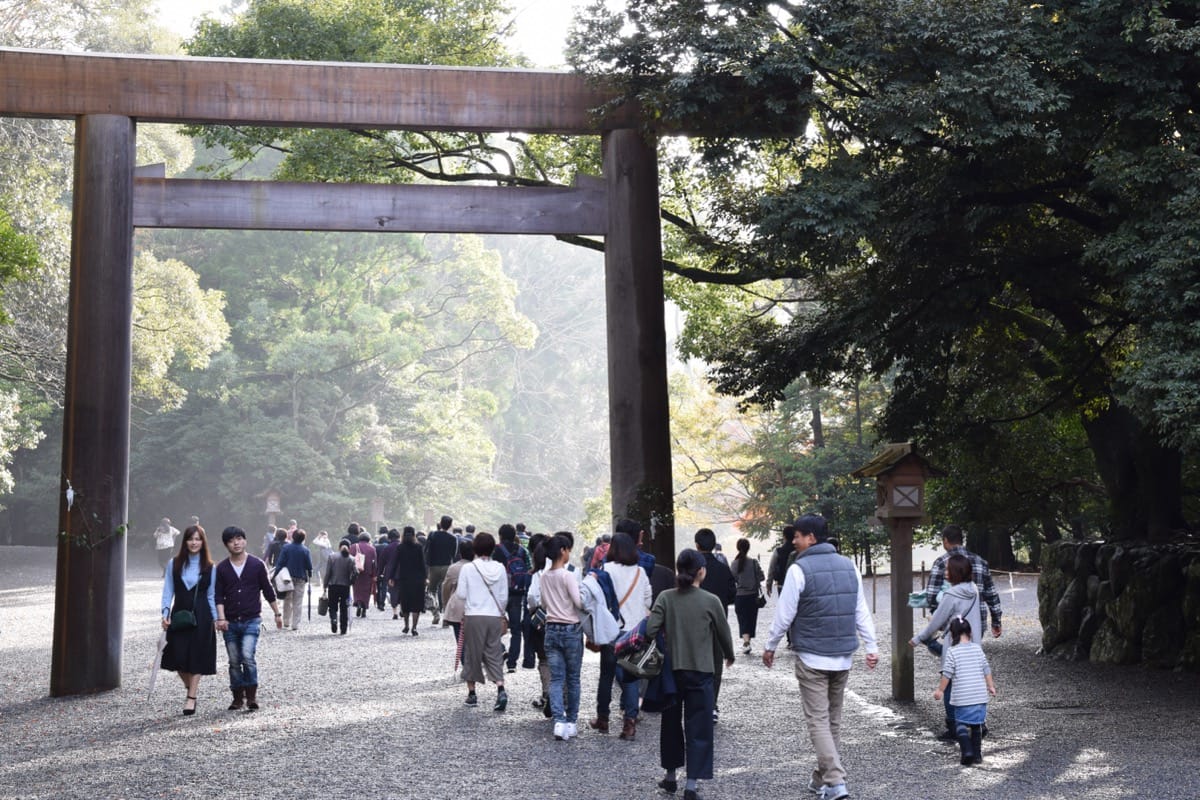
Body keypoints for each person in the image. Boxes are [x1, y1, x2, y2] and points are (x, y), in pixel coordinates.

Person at [762, 514, 879, 800]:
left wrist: (770, 645)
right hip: (843, 656)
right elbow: (859, 609)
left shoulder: (798, 570)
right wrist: (871, 645)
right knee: (832, 721)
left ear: (811, 538)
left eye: (798, 536)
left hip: (813, 657)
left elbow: (785, 614)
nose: (794, 541)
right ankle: (821, 778)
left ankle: (836, 782)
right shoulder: (849, 565)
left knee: (817, 720)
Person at [647, 549, 735, 800]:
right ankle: (692, 784)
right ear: (701, 572)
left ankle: (671, 776)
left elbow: (651, 629)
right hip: (702, 672)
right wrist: (729, 655)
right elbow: (723, 634)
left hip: (671, 672)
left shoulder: (665, 597)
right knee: (699, 726)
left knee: (671, 724)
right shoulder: (711, 601)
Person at [911, 554, 983, 740]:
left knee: (949, 683)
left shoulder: (951, 594)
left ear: (956, 572)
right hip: (973, 644)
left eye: (948, 568)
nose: (945, 572)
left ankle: (953, 726)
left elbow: (936, 621)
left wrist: (918, 638)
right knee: (972, 683)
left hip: (955, 645)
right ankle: (978, 723)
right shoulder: (973, 589)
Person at [590, 531, 652, 740]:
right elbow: (648, 601)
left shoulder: (604, 569)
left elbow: (596, 600)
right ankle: (629, 724)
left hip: (611, 631)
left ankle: (603, 719)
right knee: (631, 678)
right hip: (634, 632)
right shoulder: (640, 572)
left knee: (607, 675)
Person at [214, 526, 282, 712]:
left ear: (245, 540)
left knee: (247, 656)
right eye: (231, 540)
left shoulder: (257, 564)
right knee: (234, 660)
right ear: (226, 544)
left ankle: (251, 696)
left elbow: (268, 590)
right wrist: (220, 619)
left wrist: (277, 613)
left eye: (239, 538)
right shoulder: (221, 568)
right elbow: (218, 595)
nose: (236, 543)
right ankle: (237, 697)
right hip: (230, 620)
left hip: (252, 619)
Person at [159, 524, 217, 716]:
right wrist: (165, 613)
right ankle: (189, 687)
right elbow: (168, 591)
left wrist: (217, 619)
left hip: (202, 615)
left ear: (203, 542)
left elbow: (211, 595)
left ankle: (191, 697)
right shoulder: (173, 564)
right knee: (176, 655)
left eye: (198, 539)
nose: (194, 543)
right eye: (190, 539)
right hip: (179, 613)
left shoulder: (209, 567)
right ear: (184, 541)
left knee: (197, 655)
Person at [455, 531, 509, 711]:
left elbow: (461, 594)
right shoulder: (500, 568)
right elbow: (503, 596)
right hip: (494, 616)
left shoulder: (469, 568)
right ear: (492, 548)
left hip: (474, 615)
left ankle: (472, 694)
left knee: (472, 653)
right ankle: (500, 688)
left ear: (475, 548)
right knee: (493, 652)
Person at [540, 533, 586, 741]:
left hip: (551, 629)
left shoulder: (544, 576)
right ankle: (572, 722)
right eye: (568, 550)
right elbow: (579, 602)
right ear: (562, 551)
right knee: (573, 678)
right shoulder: (567, 576)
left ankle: (559, 721)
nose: (569, 553)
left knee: (557, 679)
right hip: (570, 629)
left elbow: (543, 604)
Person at [934, 616, 997, 765]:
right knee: (977, 726)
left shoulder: (952, 652)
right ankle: (977, 755)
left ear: (953, 635)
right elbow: (986, 669)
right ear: (970, 632)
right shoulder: (977, 649)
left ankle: (967, 750)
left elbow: (946, 674)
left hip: (963, 697)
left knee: (960, 724)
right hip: (980, 697)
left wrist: (940, 690)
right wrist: (991, 686)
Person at [924, 524, 1003, 639]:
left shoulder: (941, 562)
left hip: (951, 621)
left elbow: (931, 595)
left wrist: (936, 616)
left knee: (952, 653)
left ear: (945, 540)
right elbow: (992, 595)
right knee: (973, 652)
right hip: (977, 620)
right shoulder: (980, 561)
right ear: (962, 540)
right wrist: (996, 621)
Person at [695, 527, 735, 722]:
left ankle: (698, 702)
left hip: (695, 623)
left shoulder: (692, 569)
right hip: (718, 622)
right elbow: (731, 594)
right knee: (715, 665)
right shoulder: (722, 568)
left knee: (695, 663)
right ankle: (712, 704)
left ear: (697, 545)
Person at [494, 523, 532, 672]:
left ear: (501, 535)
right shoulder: (522, 551)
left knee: (493, 627)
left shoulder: (495, 551)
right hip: (517, 594)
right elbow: (528, 570)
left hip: (498, 594)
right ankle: (512, 663)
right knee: (516, 630)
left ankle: (501, 649)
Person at [271, 529, 313, 631]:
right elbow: (309, 565)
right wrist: (310, 574)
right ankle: (295, 624)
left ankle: (286, 621)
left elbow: (280, 563)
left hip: (287, 578)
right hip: (301, 578)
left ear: (293, 537)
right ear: (303, 539)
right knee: (298, 602)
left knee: (287, 599)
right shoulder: (305, 550)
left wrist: (274, 575)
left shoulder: (286, 548)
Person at [389, 526, 428, 634]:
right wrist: (425, 577)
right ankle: (414, 627)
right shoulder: (418, 547)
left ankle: (406, 626)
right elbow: (422, 564)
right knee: (416, 604)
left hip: (404, 579)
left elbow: (395, 563)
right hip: (418, 580)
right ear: (414, 535)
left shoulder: (400, 547)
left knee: (405, 603)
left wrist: (391, 577)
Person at [731, 537, 766, 655]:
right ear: (748, 548)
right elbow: (762, 577)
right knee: (751, 620)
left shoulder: (734, 563)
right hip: (753, 596)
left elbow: (732, 578)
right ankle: (747, 642)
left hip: (740, 596)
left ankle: (746, 642)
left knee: (743, 620)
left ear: (737, 548)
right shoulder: (754, 562)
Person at [425, 515, 458, 626]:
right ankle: (446, 619)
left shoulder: (432, 535)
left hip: (433, 567)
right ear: (450, 525)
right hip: (447, 567)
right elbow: (454, 554)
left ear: (440, 523)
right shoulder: (453, 538)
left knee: (431, 591)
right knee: (447, 592)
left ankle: (435, 613)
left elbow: (426, 550)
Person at [441, 540, 474, 642]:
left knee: (460, 641)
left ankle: (464, 657)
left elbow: (446, 589)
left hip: (458, 608)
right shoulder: (478, 567)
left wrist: (446, 606)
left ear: (460, 553)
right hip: (476, 608)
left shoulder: (453, 568)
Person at [323, 539, 357, 635]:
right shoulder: (351, 558)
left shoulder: (332, 557)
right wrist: (351, 582)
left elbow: (328, 573)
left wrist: (325, 585)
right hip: (345, 586)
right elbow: (356, 572)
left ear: (339, 547)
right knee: (344, 607)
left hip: (333, 585)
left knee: (332, 605)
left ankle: (334, 619)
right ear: (349, 548)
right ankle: (343, 628)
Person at [349, 525, 377, 618]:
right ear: (368, 539)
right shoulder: (372, 549)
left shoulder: (353, 547)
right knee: (366, 591)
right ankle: (364, 608)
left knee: (356, 590)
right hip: (367, 573)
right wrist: (374, 574)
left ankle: (358, 603)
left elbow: (349, 560)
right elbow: (374, 563)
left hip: (356, 572)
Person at [765, 525, 796, 596]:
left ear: (784, 536)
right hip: (796, 584)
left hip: (782, 584)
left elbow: (771, 568)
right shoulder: (799, 550)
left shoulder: (779, 551)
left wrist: (769, 583)